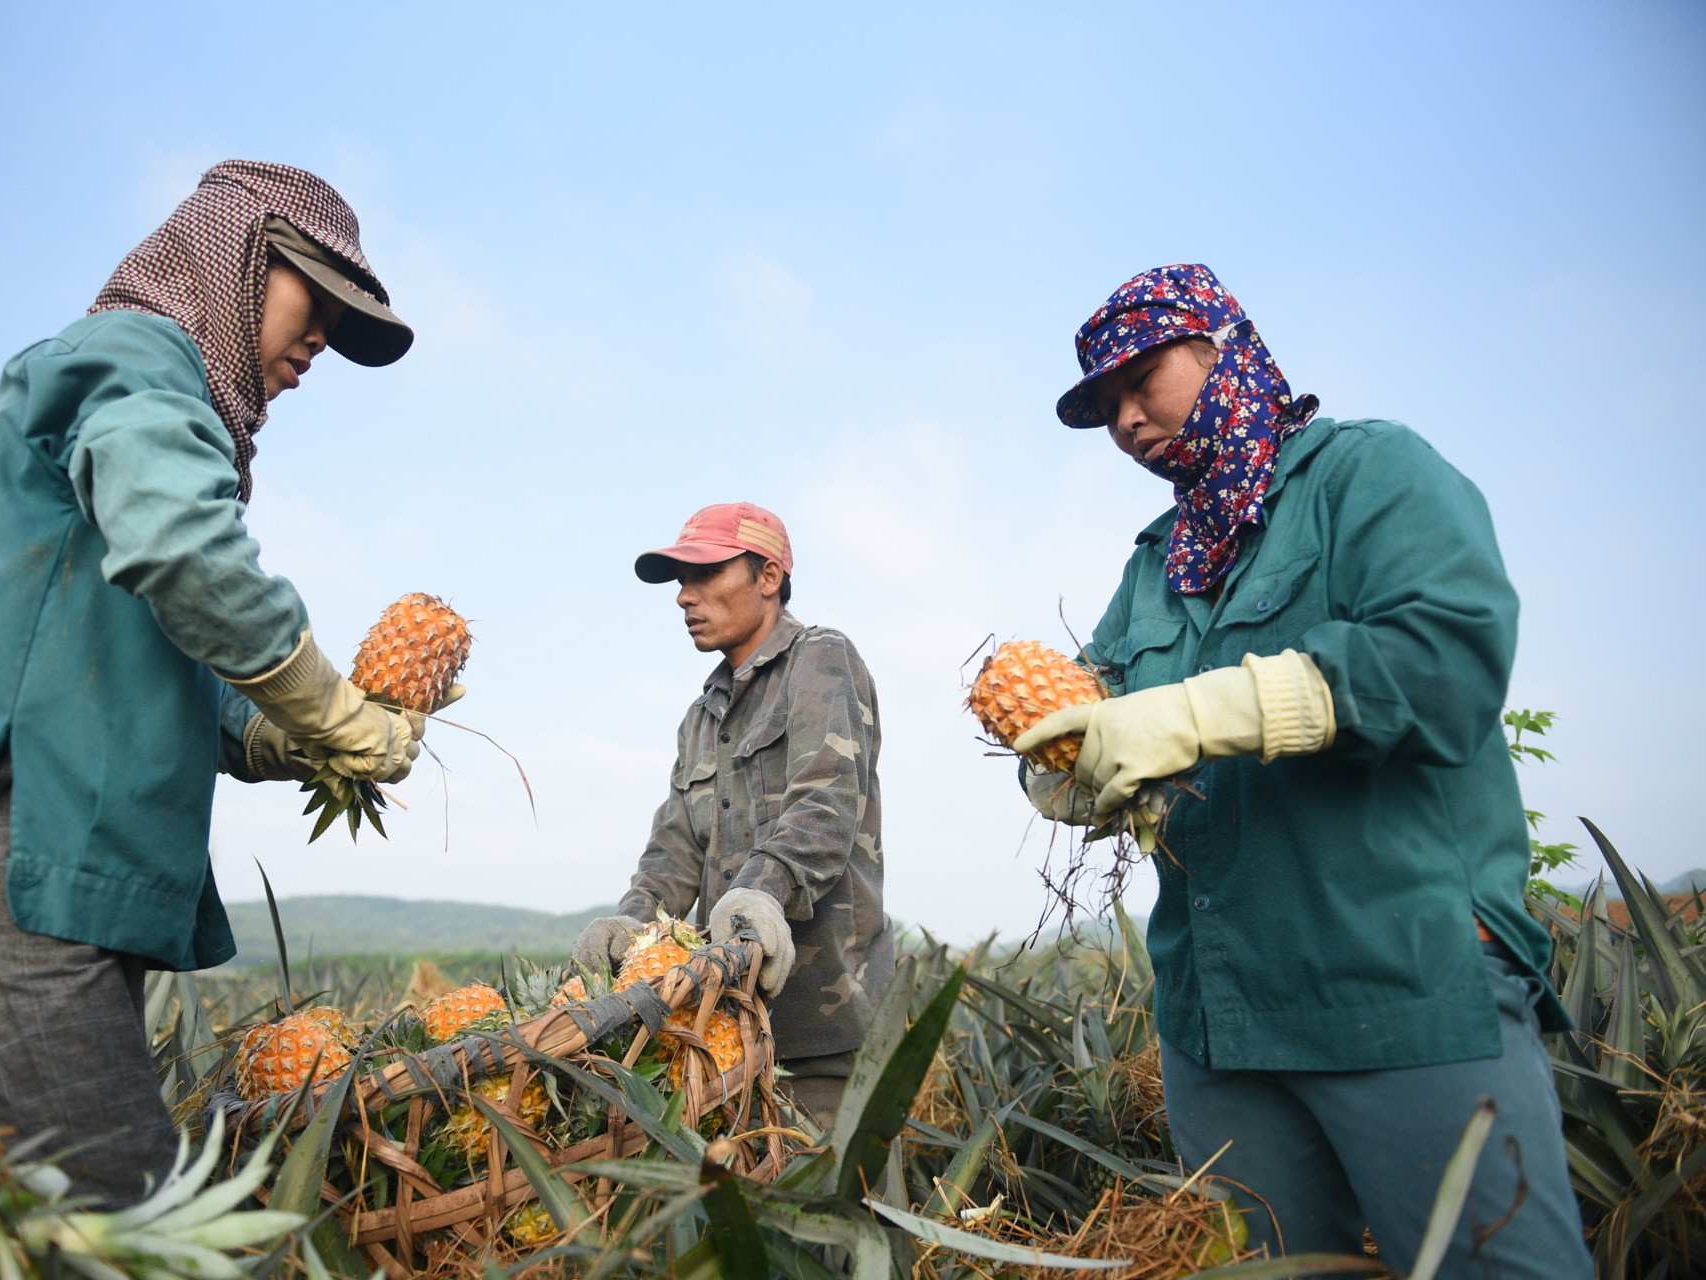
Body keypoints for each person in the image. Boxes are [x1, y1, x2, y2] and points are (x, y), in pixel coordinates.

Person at [0, 161, 455, 1205]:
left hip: (48, 864)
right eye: (316, 305)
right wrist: (337, 710)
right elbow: (181, 547)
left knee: (48, 1230)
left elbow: (171, 664)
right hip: (12, 849)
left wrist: (284, 736)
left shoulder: (148, 404)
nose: (319, 348)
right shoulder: (137, 354)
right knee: (132, 1229)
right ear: (240, 256)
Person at [1013, 266, 1589, 1273]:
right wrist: (1062, 772)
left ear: (1225, 345)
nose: (1130, 420)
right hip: (1217, 1025)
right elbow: (1095, 717)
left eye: (1144, 379)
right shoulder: (1156, 563)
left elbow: (1446, 657)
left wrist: (1196, 712)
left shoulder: (1367, 476)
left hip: (1399, 983)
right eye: (1107, 409)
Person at [572, 503, 891, 1127]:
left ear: (767, 576)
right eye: (678, 582)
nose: (684, 597)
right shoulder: (701, 717)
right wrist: (631, 924)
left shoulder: (819, 659)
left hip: (825, 1024)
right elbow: (673, 851)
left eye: (705, 574)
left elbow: (824, 803)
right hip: (725, 1031)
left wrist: (761, 893)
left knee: (837, 1207)